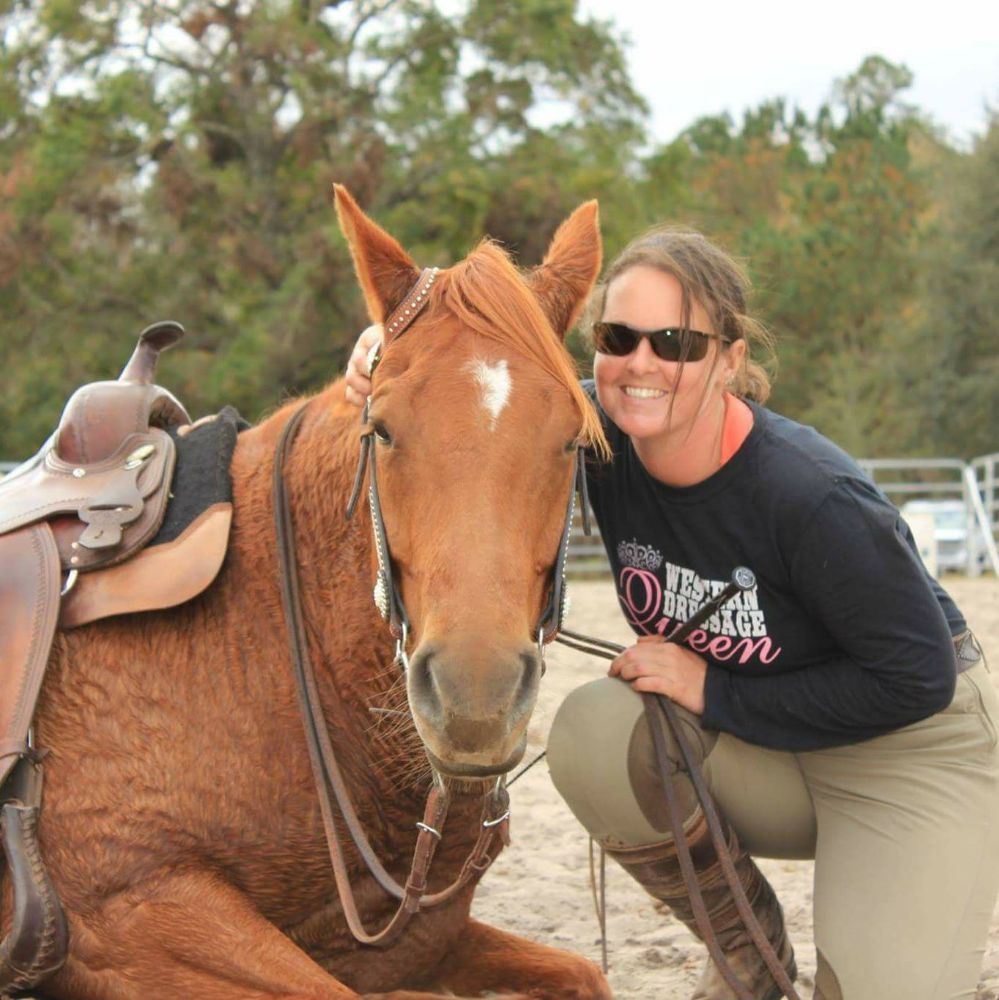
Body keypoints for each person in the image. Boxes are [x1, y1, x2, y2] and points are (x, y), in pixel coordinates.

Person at [344, 226, 999, 1000]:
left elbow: (914, 679)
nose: (641, 364)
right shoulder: (586, 432)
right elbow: (484, 397)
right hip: (766, 748)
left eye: (676, 343)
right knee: (594, 731)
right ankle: (748, 955)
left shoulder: (812, 496)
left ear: (727, 358)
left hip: (903, 752)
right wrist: (395, 352)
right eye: (617, 338)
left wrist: (713, 692)